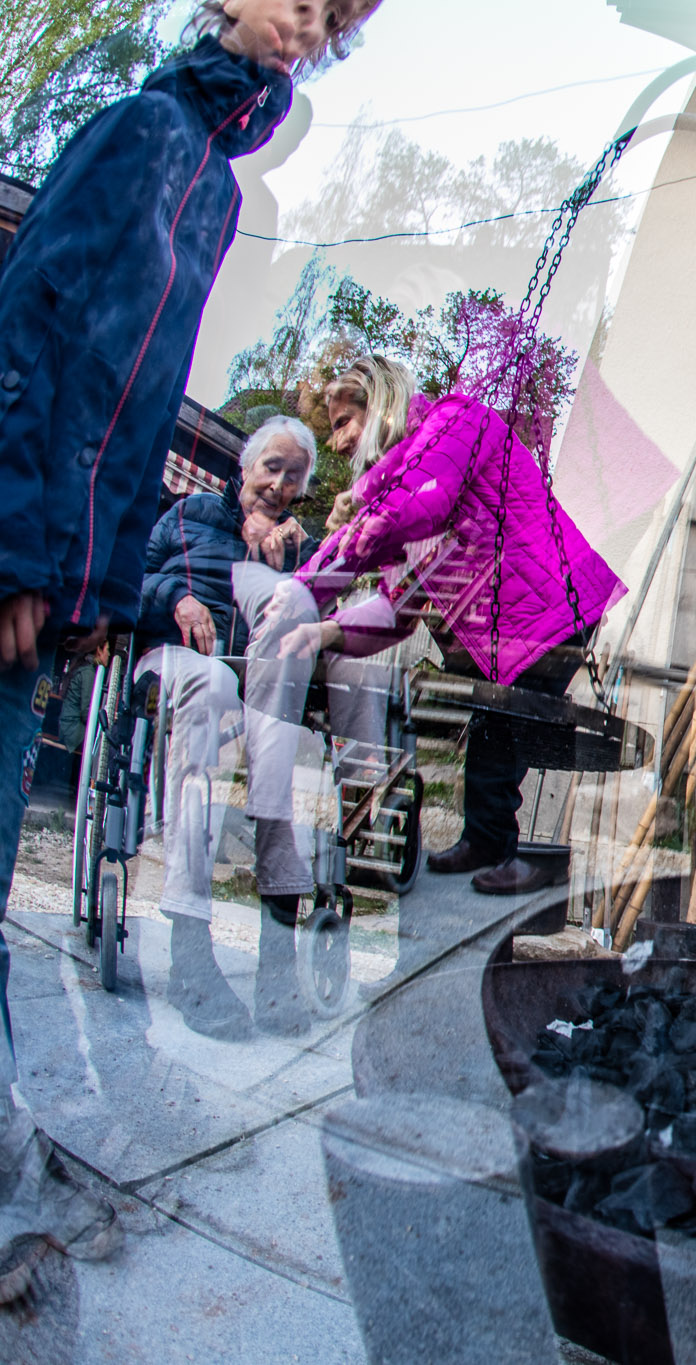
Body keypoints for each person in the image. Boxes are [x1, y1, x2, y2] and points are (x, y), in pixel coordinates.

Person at [0, 0, 380, 1299]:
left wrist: (99, 588)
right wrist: (24, 551)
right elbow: (32, 332)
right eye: (305, 2)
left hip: (71, 582)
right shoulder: (146, 133)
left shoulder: (210, 185)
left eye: (342, 19)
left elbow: (139, 400)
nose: (316, 30)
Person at [270, 356, 625, 895]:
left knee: (506, 725)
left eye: (344, 423)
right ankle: (486, 842)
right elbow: (396, 604)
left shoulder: (455, 422)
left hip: (549, 605)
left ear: (379, 403)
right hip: (512, 622)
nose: (339, 443)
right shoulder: (403, 481)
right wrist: (322, 622)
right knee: (489, 727)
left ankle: (519, 858)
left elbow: (410, 510)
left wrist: (319, 567)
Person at [133, 415, 322, 1040]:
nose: (278, 484)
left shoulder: (298, 543)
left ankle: (276, 961)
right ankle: (189, 953)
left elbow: (328, 616)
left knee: (287, 751)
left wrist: (302, 564)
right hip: (180, 664)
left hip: (257, 685)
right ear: (245, 465)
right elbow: (131, 578)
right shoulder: (187, 516)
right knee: (214, 684)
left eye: (293, 477)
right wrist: (176, 598)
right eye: (272, 467)